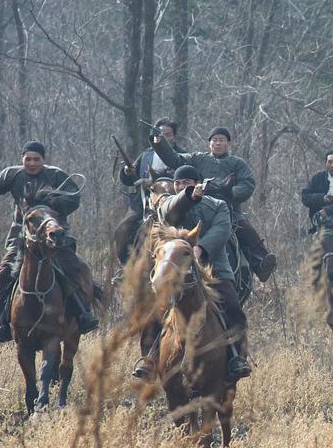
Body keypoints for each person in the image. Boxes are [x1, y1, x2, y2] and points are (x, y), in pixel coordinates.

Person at [0, 141, 99, 342]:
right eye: (28, 159)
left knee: (72, 268)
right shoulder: (13, 174)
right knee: (3, 274)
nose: (32, 163)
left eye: (36, 159)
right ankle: (2, 323)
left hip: (55, 237)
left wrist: (51, 203)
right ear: (22, 159)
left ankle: (83, 313)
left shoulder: (56, 175)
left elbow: (74, 198)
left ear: (43, 160)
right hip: (22, 238)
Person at [133, 164, 251, 381]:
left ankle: (237, 358)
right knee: (153, 313)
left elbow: (222, 230)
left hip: (215, 269)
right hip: (173, 275)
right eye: (178, 183)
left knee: (233, 309)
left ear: (198, 183)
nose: (181, 186)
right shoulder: (167, 204)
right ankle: (148, 359)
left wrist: (201, 248)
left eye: (187, 183)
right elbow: (169, 211)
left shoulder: (218, 205)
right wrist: (189, 196)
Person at [152, 126, 277, 282]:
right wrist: (160, 143)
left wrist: (230, 193)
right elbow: (175, 159)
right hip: (195, 206)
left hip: (229, 209)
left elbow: (248, 184)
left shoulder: (237, 163)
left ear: (229, 143)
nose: (218, 143)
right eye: (215, 140)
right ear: (209, 143)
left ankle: (260, 264)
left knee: (246, 231)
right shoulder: (198, 158)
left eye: (222, 140)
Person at [113, 118, 184, 280]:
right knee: (123, 229)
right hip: (144, 202)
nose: (163, 138)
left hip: (172, 203)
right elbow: (129, 180)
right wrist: (127, 171)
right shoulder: (146, 155)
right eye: (160, 134)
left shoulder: (182, 155)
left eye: (167, 134)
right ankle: (126, 269)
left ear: (174, 137)